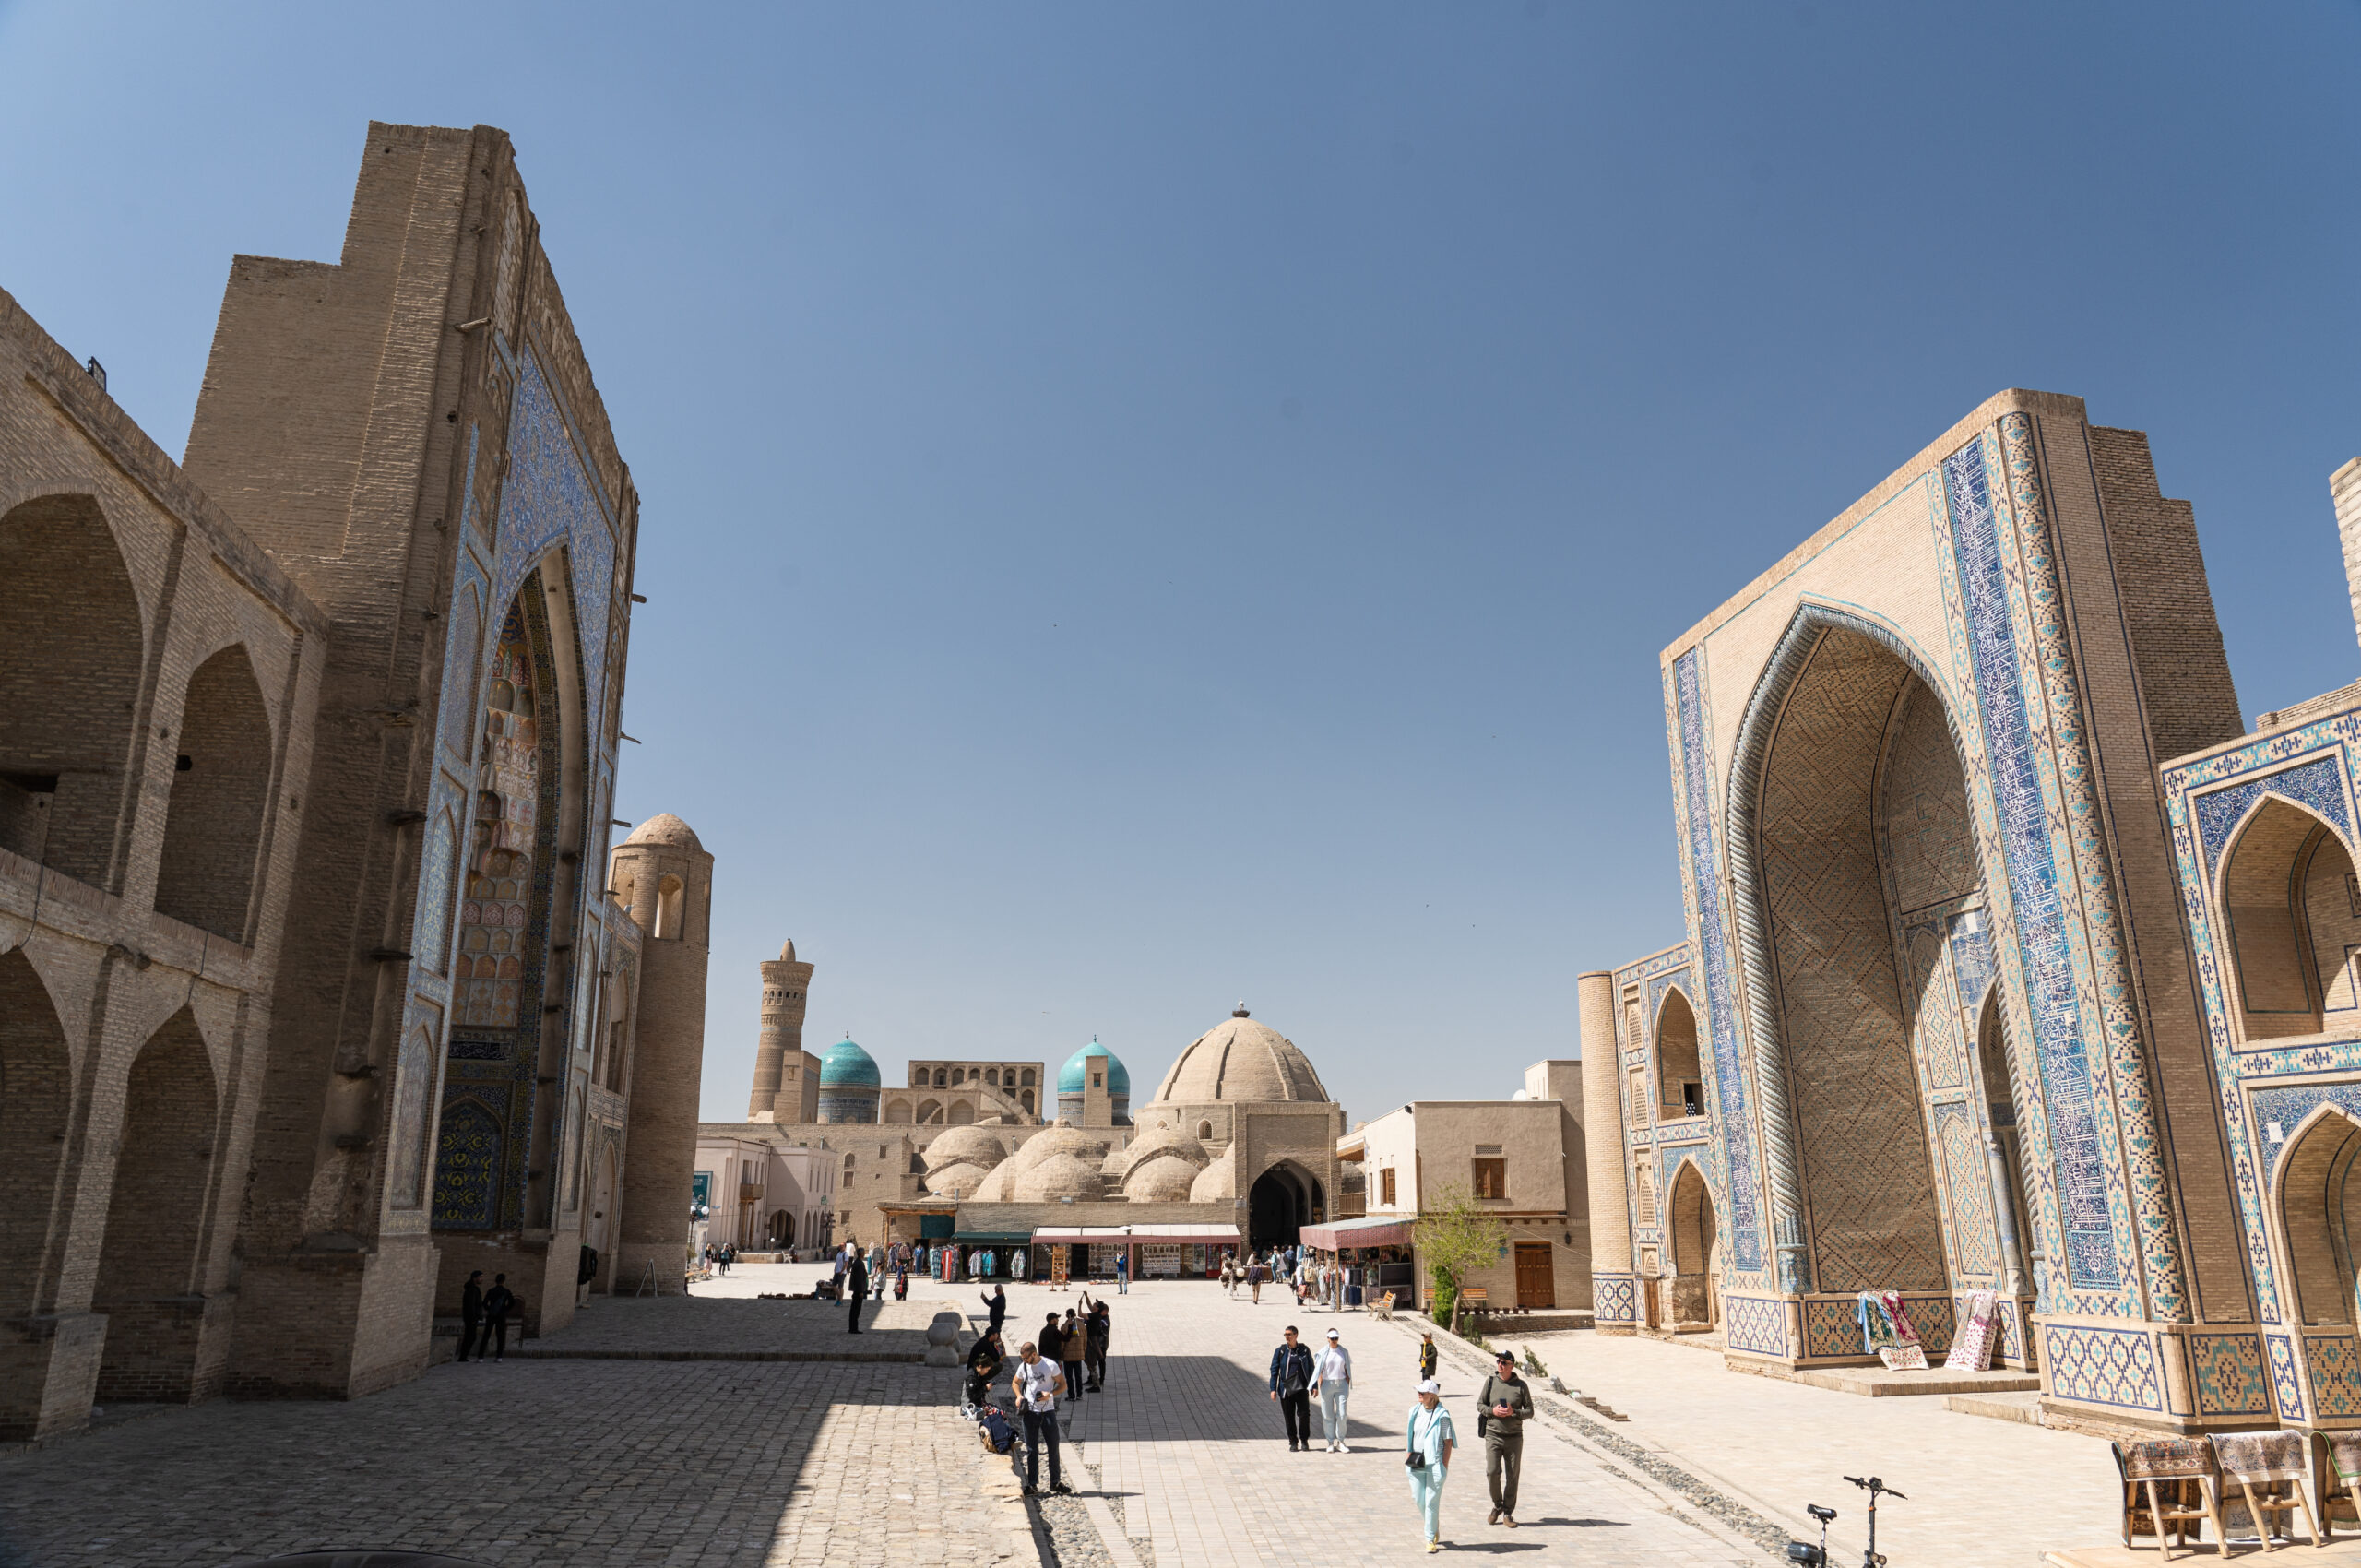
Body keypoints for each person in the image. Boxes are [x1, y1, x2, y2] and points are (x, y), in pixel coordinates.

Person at [1477, 1349, 1535, 1526]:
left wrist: (1514, 1412)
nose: (1500, 1365)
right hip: (1493, 1435)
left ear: (1512, 1366)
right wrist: (1492, 1411)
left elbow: (1530, 1411)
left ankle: (1508, 1513)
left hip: (1514, 1437)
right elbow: (1480, 1405)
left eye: (1504, 1363)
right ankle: (1497, 1505)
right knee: (1492, 1472)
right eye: (1498, 1362)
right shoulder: (1490, 1382)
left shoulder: (1521, 1386)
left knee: (1513, 1475)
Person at [1010, 1340, 1072, 1496]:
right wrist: (1019, 1396)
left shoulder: (1050, 1365)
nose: (1024, 1361)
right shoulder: (1024, 1366)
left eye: (1026, 1358)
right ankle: (1032, 1484)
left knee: (1053, 1447)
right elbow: (1015, 1383)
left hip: (1048, 1411)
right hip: (1030, 1412)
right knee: (1031, 1449)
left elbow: (1063, 1385)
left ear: (1034, 1354)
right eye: (1022, 1358)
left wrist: (1049, 1394)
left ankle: (1055, 1482)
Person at [1406, 1377, 1457, 1552]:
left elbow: (1448, 1442)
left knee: (1431, 1503)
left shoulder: (1442, 1416)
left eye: (1423, 1392)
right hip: (1416, 1462)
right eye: (1418, 1391)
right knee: (1418, 1499)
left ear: (1432, 1396)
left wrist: (1444, 1465)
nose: (1419, 1394)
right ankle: (1433, 1523)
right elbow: (1410, 1436)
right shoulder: (1414, 1411)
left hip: (1435, 1465)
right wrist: (1408, 1455)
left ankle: (1430, 1540)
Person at [1268, 1324, 1316, 1452]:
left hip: (1301, 1388)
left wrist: (1314, 1386)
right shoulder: (1281, 1351)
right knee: (1289, 1417)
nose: (1287, 1337)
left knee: (1304, 1415)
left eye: (1289, 1334)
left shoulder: (1304, 1350)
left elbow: (1311, 1369)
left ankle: (1304, 1440)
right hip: (1286, 1389)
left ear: (1296, 1335)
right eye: (1285, 1335)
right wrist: (1273, 1389)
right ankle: (1293, 1442)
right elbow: (1274, 1370)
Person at [1311, 1326, 1353, 1453]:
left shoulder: (1343, 1351)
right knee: (1327, 1415)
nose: (1334, 1340)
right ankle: (1330, 1442)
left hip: (1341, 1384)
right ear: (1327, 1339)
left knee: (1342, 1414)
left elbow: (1347, 1367)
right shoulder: (1323, 1352)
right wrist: (1319, 1381)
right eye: (1332, 1338)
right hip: (1327, 1384)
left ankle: (1341, 1441)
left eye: (1336, 1338)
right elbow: (1319, 1368)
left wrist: (1347, 1380)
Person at [966, 1328, 1005, 1408]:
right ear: (992, 1335)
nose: (998, 1336)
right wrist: (985, 1388)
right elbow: (972, 1396)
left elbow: (998, 1357)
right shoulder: (985, 1344)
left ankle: (984, 1380)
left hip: (977, 1365)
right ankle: (984, 1379)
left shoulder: (987, 1341)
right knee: (999, 1365)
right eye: (997, 1334)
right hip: (973, 1366)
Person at [482, 1273, 517, 1362]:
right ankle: (499, 1357)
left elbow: (485, 1303)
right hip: (501, 1315)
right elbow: (512, 1302)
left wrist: (490, 1309)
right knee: (500, 1336)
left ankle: (480, 1357)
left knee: (486, 1335)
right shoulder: (506, 1291)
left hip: (491, 1315)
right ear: (503, 1281)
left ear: (496, 1281)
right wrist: (505, 1309)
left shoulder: (491, 1291)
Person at [1083, 1295, 1110, 1392]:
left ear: (1104, 1311)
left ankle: (1101, 1380)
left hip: (1101, 1344)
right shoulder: (1097, 1316)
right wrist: (1086, 1296)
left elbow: (1101, 1324)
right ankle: (1091, 1379)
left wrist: (1088, 1320)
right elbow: (1090, 1306)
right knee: (1092, 1361)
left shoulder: (1105, 1320)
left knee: (1101, 1361)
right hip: (1095, 1344)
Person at [457, 1270, 485, 1363]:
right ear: (474, 1278)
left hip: (471, 1318)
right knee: (470, 1337)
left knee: (470, 1337)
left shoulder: (472, 1289)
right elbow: (470, 1305)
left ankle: (463, 1357)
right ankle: (463, 1357)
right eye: (480, 1277)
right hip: (471, 1318)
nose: (482, 1279)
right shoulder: (472, 1290)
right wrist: (474, 1318)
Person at [1059, 1308, 1086, 1404]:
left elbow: (1062, 1343)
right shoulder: (1082, 1326)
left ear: (1066, 1315)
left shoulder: (1064, 1327)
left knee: (1069, 1376)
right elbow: (1085, 1341)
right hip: (1079, 1355)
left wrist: (1060, 1355)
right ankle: (1079, 1395)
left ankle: (1071, 1395)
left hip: (1067, 1356)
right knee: (1078, 1375)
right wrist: (1083, 1351)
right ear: (1075, 1314)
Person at [845, 1245, 870, 1334]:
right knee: (856, 1310)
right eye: (863, 1253)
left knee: (854, 1310)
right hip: (858, 1291)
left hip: (856, 1290)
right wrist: (860, 1291)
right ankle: (853, 1328)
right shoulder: (859, 1264)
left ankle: (852, 1328)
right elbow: (859, 1279)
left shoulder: (856, 1262)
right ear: (861, 1254)